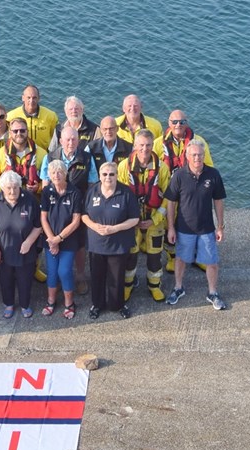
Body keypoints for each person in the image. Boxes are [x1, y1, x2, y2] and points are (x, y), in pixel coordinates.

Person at [165, 140, 227, 310]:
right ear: (187, 156)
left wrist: (220, 226)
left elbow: (218, 201)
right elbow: (171, 203)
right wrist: (171, 227)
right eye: (193, 155)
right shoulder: (178, 176)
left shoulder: (213, 174)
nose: (197, 158)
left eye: (200, 154)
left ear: (204, 155)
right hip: (184, 228)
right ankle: (178, 288)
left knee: (212, 262)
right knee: (181, 259)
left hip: (207, 228)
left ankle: (213, 292)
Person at [153, 110, 214, 273]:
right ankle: (172, 258)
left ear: (186, 123)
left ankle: (197, 256)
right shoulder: (159, 143)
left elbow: (208, 166)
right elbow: (153, 167)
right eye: (174, 122)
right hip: (169, 192)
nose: (178, 125)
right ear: (169, 123)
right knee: (169, 225)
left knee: (196, 225)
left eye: (181, 122)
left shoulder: (198, 141)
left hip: (192, 193)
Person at [117, 129, 171, 302]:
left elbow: (168, 197)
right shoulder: (123, 166)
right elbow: (120, 195)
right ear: (135, 145)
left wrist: (155, 220)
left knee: (155, 257)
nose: (145, 149)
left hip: (154, 221)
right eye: (141, 145)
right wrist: (131, 220)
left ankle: (154, 286)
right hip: (131, 222)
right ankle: (128, 286)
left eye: (148, 145)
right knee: (130, 256)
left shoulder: (162, 168)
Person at [39, 126, 94, 292]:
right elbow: (45, 184)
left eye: (74, 139)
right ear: (61, 141)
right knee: (55, 240)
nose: (71, 142)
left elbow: (92, 184)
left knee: (80, 243)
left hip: (78, 206)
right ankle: (58, 276)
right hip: (55, 207)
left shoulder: (87, 158)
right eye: (67, 139)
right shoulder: (49, 158)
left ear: (79, 141)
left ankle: (80, 276)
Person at [82, 162, 140, 320]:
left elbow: (135, 219)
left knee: (117, 277)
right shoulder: (92, 191)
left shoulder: (126, 193)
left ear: (117, 175)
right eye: (105, 174)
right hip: (96, 244)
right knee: (97, 277)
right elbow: (83, 215)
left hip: (118, 244)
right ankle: (97, 304)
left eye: (112, 174)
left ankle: (117, 304)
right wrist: (94, 226)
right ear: (100, 176)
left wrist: (115, 228)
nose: (108, 177)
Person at [0, 170, 42, 319]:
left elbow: (39, 226)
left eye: (15, 187)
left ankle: (25, 304)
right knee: (5, 279)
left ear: (20, 186)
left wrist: (29, 242)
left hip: (25, 249)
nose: (12, 191)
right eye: (8, 188)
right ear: (2, 188)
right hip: (4, 249)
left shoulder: (30, 200)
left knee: (25, 280)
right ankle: (9, 304)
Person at [40, 160, 83, 319]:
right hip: (50, 239)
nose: (56, 175)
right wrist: (51, 239)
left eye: (59, 172)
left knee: (64, 271)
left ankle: (69, 303)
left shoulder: (75, 192)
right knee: (51, 272)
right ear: (49, 175)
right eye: (53, 173)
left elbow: (76, 221)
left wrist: (59, 239)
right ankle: (51, 301)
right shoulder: (46, 192)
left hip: (68, 240)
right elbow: (43, 218)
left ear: (65, 173)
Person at [0, 118, 47, 194]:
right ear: (10, 133)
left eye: (22, 130)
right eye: (15, 131)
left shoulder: (42, 154)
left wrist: (39, 187)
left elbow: (49, 177)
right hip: (8, 200)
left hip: (33, 200)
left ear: (27, 131)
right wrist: (2, 188)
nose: (19, 133)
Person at [6, 84, 58, 150]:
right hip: (21, 155)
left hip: (44, 155)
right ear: (23, 98)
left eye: (34, 97)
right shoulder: (11, 116)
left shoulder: (51, 116)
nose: (31, 101)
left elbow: (56, 137)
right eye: (28, 97)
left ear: (39, 98)